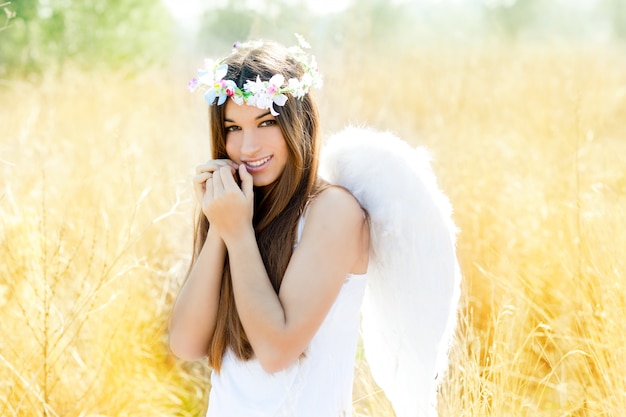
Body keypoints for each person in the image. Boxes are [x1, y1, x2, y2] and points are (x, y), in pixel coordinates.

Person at [168, 36, 371, 417]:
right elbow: (186, 343)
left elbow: (276, 351)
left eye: (266, 122)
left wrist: (238, 234)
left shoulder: (332, 211)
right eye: (233, 128)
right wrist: (220, 227)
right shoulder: (236, 210)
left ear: (299, 120)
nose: (248, 147)